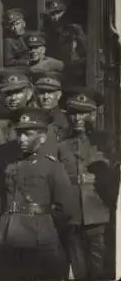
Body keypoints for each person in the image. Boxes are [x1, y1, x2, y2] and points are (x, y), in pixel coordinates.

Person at [0, 108, 73, 280]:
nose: (22, 139)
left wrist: (46, 226)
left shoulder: (52, 167)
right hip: (8, 235)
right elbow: (1, 199)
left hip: (39, 236)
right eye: (19, 133)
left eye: (28, 134)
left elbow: (65, 209)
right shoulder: (11, 165)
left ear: (42, 137)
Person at [57, 87, 113, 280]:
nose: (78, 118)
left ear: (93, 114)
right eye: (73, 113)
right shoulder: (61, 145)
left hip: (98, 211)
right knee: (78, 267)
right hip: (72, 213)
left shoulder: (106, 143)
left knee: (101, 268)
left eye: (84, 113)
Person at [43, 0, 87, 85]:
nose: (56, 17)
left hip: (78, 73)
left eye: (58, 13)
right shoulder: (52, 33)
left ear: (65, 12)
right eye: (52, 14)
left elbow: (87, 55)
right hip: (62, 74)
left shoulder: (75, 30)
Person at [33, 71, 69, 142]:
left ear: (59, 95)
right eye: (42, 92)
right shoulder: (31, 119)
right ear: (36, 95)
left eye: (50, 92)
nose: (46, 97)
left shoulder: (67, 120)